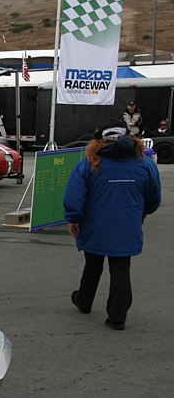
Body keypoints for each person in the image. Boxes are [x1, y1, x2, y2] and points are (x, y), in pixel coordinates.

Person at [64, 122, 161, 330]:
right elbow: (153, 197)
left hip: (95, 223)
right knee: (120, 268)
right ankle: (117, 315)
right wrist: (143, 212)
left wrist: (73, 218)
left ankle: (84, 301)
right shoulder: (145, 163)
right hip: (128, 223)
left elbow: (74, 195)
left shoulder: (89, 162)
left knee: (92, 263)